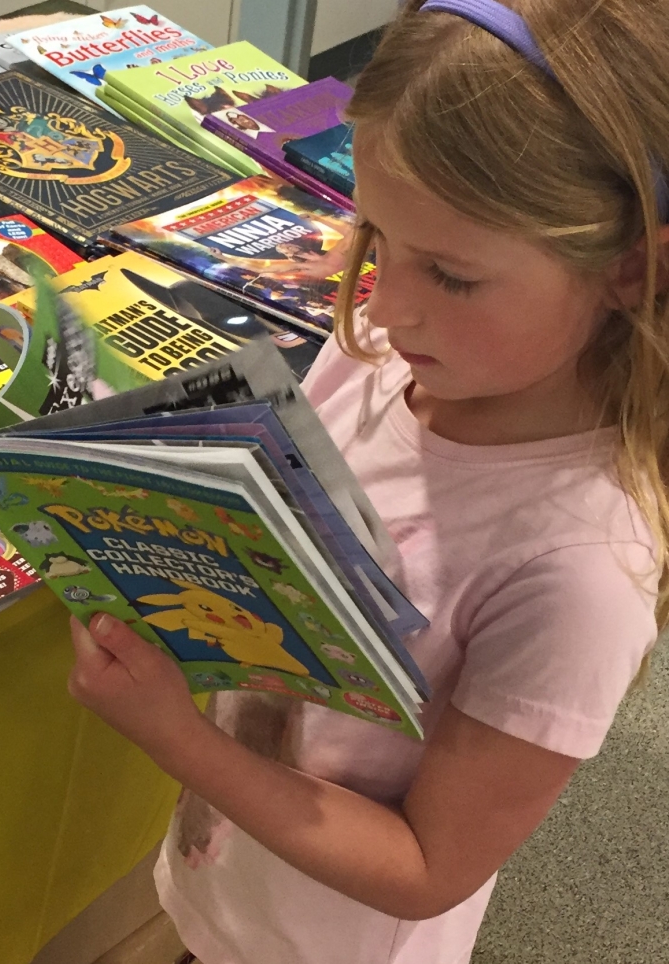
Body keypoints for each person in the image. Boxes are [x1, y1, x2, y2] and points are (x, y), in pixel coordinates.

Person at [64, 0, 669, 962]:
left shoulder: (581, 573)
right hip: (232, 880)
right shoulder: (388, 355)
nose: (384, 308)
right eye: (375, 240)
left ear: (631, 269)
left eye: (452, 276)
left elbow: (431, 867)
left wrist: (177, 738)